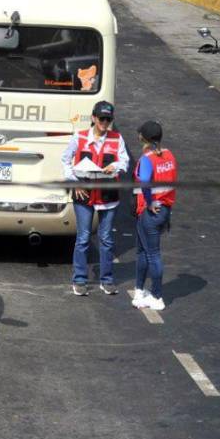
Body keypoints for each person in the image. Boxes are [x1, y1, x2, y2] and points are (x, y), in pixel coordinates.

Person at [60, 101, 130, 297]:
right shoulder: (80, 137)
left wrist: (115, 166)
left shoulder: (117, 139)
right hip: (84, 194)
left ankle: (106, 279)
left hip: (108, 196)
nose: (105, 123)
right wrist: (75, 182)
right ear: (93, 118)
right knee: (83, 238)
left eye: (108, 119)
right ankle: (80, 279)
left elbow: (124, 161)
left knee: (106, 239)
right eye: (101, 119)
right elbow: (65, 160)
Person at [131, 121, 176, 312]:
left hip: (149, 212)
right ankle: (139, 290)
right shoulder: (169, 156)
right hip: (164, 209)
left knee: (152, 254)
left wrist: (149, 202)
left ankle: (157, 296)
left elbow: (144, 184)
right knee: (143, 251)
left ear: (144, 138)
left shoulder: (147, 159)